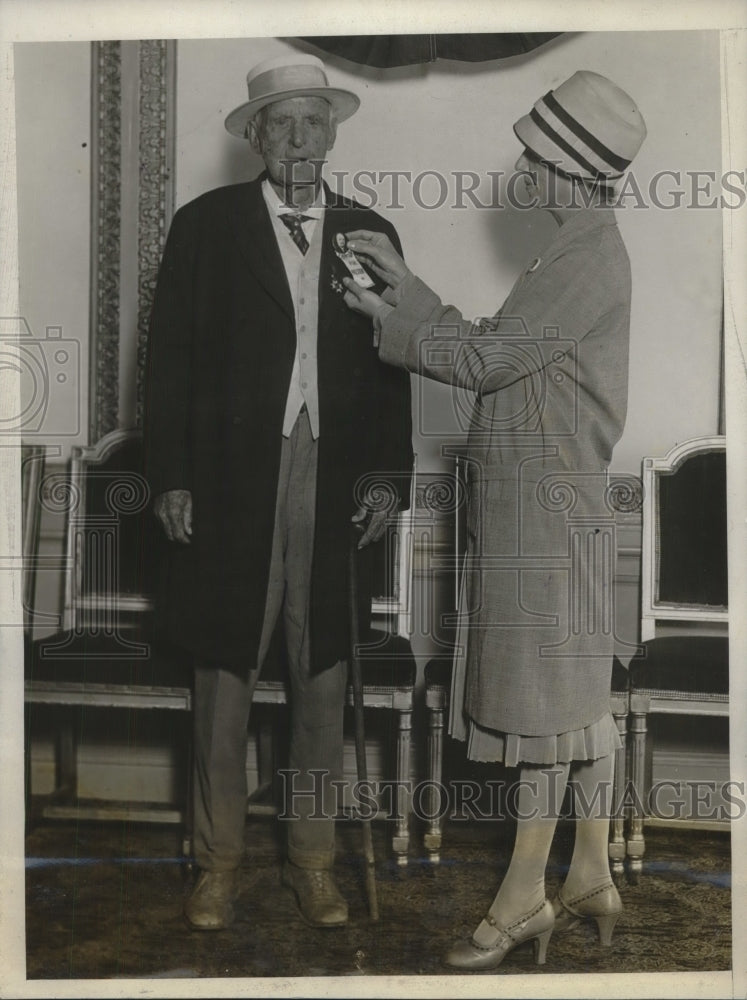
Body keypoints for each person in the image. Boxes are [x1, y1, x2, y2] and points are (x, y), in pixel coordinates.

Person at [342, 71, 646, 970]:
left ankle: (521, 901)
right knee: (577, 706)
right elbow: (503, 350)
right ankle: (589, 871)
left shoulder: (587, 256)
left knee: (549, 714)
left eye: (533, 153)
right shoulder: (575, 252)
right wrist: (409, 289)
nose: (520, 164)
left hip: (545, 528)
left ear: (566, 167)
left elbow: (481, 362)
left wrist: (385, 319)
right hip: (554, 515)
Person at [143, 53, 412, 932]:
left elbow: (392, 365)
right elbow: (170, 363)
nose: (299, 139)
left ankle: (313, 862)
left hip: (330, 476)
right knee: (224, 674)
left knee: (320, 673)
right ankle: (216, 863)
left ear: (332, 133)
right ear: (255, 136)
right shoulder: (205, 226)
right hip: (228, 482)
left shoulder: (370, 232)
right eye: (281, 124)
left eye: (313, 122)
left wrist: (386, 478)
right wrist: (173, 476)